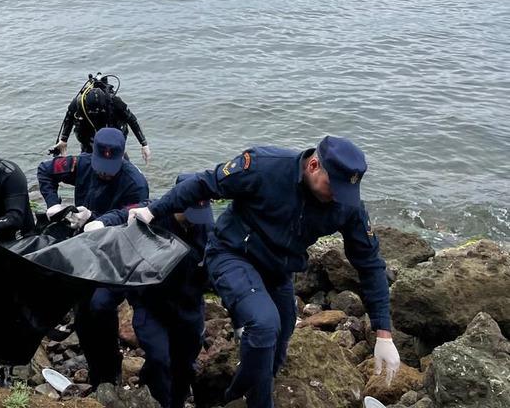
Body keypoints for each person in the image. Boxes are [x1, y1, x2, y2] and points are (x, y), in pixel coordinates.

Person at [127, 136, 400, 408]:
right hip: (232, 254)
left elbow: (370, 263)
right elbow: (204, 183)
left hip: (278, 269)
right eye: (334, 186)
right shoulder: (263, 166)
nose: (337, 196)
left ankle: (237, 393)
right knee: (264, 324)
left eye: (345, 190)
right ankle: (250, 401)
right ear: (314, 165)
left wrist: (383, 332)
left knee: (278, 344)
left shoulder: (347, 205)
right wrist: (152, 211)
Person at [85, 173, 213, 408]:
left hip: (189, 305)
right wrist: (100, 223)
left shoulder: (206, 225)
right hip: (152, 304)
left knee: (184, 364)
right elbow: (123, 213)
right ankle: (160, 401)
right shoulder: (152, 213)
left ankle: (176, 400)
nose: (195, 220)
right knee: (159, 358)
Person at [38, 127, 150, 388]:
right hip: (85, 249)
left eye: (110, 167)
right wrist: (53, 203)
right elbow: (46, 170)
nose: (104, 173)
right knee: (83, 310)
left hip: (118, 253)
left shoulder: (135, 182)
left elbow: (135, 213)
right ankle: (96, 371)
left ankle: (111, 373)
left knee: (100, 306)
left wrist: (100, 220)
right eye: (101, 165)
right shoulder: (83, 163)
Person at [52, 73, 151, 163]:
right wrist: (64, 140)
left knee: (118, 161)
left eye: (99, 111)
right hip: (88, 136)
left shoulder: (115, 102)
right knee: (88, 162)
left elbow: (132, 120)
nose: (95, 114)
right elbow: (69, 117)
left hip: (112, 132)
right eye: (92, 112)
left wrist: (144, 144)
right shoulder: (79, 102)